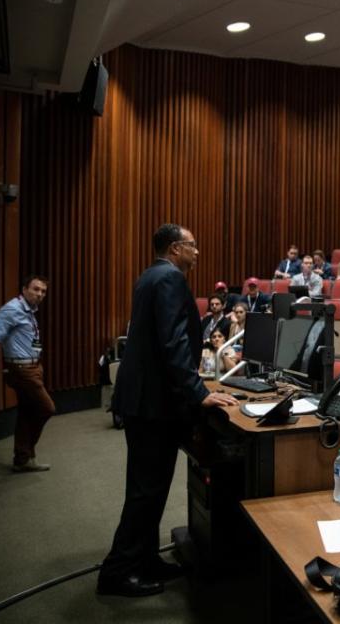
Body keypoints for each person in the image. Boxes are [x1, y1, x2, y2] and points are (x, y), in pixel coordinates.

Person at [98, 224, 237, 597]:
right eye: (192, 245)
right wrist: (198, 392)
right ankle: (118, 571)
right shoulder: (170, 280)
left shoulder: (151, 275)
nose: (197, 251)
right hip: (153, 404)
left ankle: (144, 559)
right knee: (146, 490)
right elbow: (173, 342)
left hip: (147, 399)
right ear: (175, 248)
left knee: (152, 488)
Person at [0, 275, 55, 472]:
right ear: (24, 289)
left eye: (43, 291)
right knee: (47, 408)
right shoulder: (12, 310)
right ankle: (27, 452)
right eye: (36, 289)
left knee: (26, 412)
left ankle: (22, 460)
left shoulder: (30, 311)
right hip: (23, 370)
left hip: (33, 368)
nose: (40, 294)